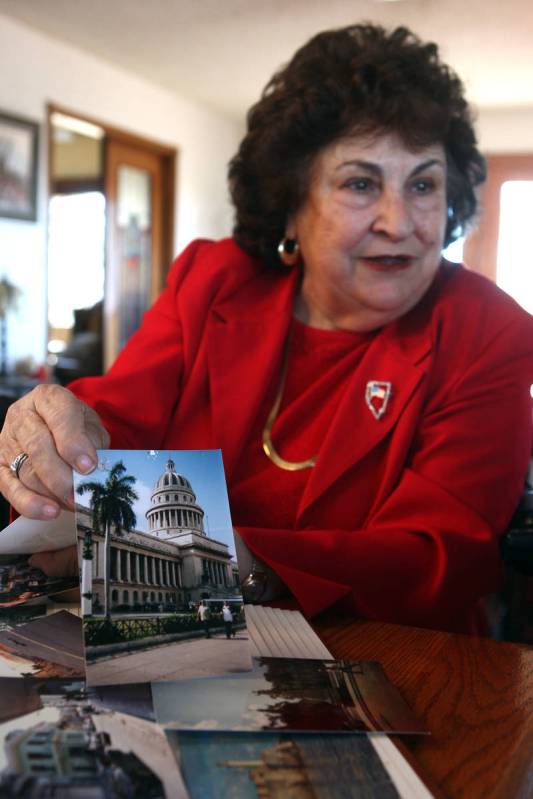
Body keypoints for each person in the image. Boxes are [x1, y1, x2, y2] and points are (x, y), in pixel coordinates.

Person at [1, 25, 532, 636]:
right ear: (291, 205)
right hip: (164, 632)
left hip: (393, 657)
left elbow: (439, 555)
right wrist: (55, 437)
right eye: (361, 184)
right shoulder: (214, 280)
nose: (400, 221)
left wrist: (242, 565)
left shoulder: (487, 330)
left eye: (423, 184)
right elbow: (114, 422)